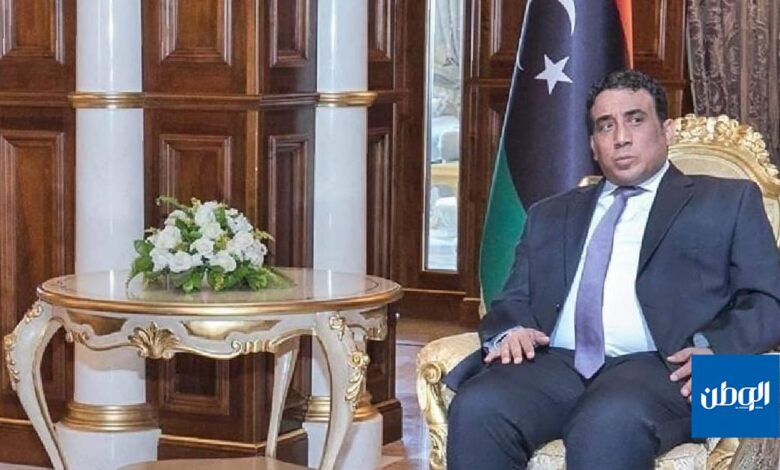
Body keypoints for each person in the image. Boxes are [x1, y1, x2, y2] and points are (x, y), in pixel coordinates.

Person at [445, 70, 780, 470]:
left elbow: (769, 298)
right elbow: (514, 296)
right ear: (593, 144)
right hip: (557, 363)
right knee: (478, 406)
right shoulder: (550, 214)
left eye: (635, 120)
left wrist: (717, 349)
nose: (621, 137)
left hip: (666, 368)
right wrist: (511, 329)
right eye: (606, 126)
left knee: (607, 421)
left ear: (666, 131)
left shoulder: (727, 200)